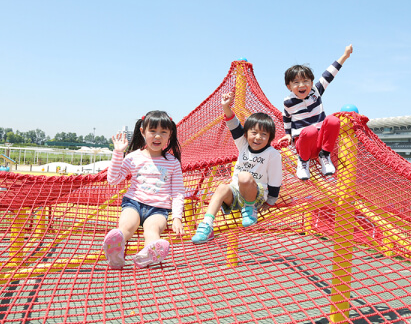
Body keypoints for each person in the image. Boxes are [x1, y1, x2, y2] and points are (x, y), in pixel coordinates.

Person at [191, 92, 283, 244]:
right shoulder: (243, 145)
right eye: (254, 133)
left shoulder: (272, 154)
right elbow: (234, 126)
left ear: (270, 137)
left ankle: (249, 208)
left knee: (244, 177)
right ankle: (207, 225)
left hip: (256, 195)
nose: (258, 137)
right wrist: (226, 107)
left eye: (263, 134)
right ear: (246, 134)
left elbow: (275, 178)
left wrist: (271, 201)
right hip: (236, 196)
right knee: (221, 187)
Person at [103, 110, 185, 269]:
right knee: (127, 226)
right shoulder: (133, 157)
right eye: (153, 131)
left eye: (163, 132)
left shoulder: (173, 162)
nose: (157, 136)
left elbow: (177, 192)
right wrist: (118, 153)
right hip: (134, 203)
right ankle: (115, 254)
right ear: (143, 131)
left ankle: (146, 255)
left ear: (170, 134)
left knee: (152, 230)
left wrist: (177, 217)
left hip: (159, 209)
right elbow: (113, 180)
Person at [279, 44, 353, 180]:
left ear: (312, 82)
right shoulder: (288, 102)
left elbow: (329, 74)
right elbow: (286, 118)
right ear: (289, 87)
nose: (301, 85)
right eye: (296, 82)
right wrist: (288, 134)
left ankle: (324, 156)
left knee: (333, 120)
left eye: (305, 81)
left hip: (321, 143)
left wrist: (345, 56)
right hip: (304, 144)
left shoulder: (316, 91)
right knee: (310, 131)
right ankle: (303, 162)